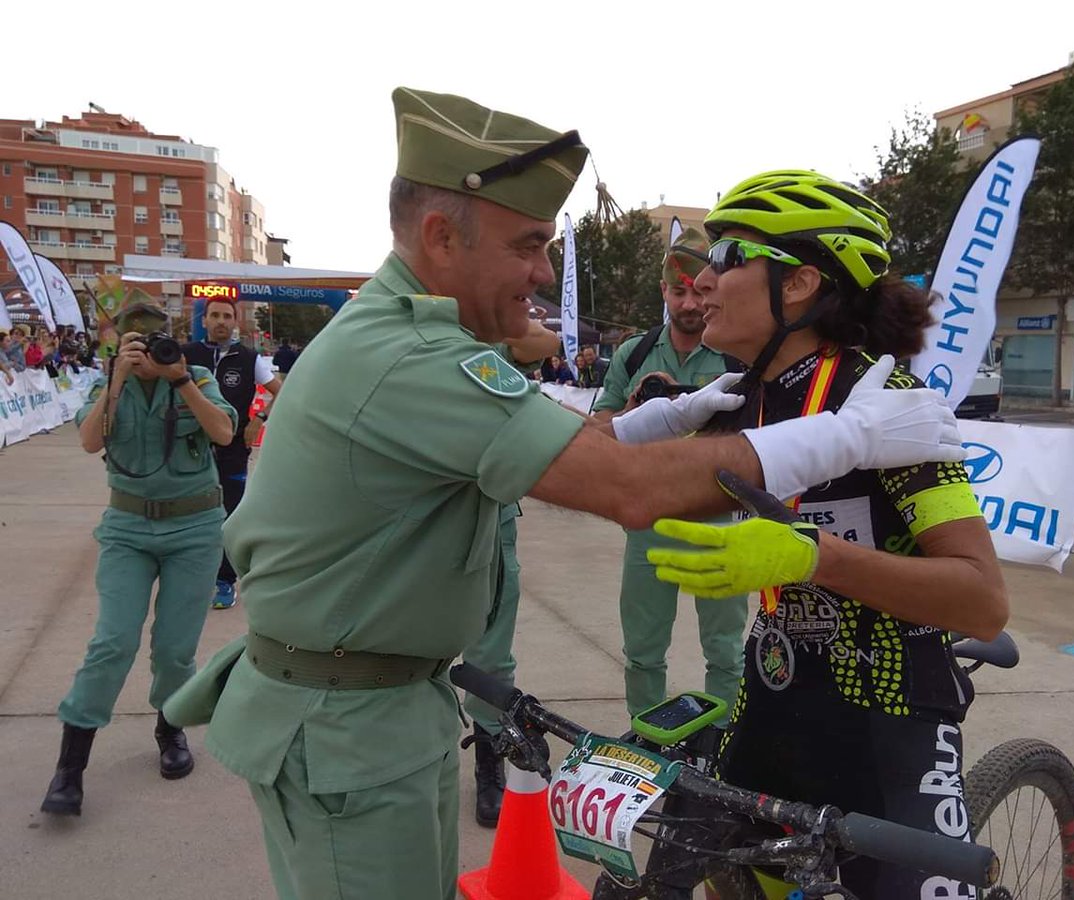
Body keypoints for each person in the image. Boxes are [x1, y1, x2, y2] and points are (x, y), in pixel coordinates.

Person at [165, 89, 962, 900]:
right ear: (442, 236)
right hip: (347, 723)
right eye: (527, 245)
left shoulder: (413, 337)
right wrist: (842, 438)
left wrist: (662, 419)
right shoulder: (410, 356)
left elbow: (560, 443)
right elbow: (622, 488)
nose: (544, 272)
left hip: (387, 705)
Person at [643, 171, 1008, 899]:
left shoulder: (886, 403)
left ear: (801, 282)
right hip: (775, 689)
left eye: (728, 256)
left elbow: (982, 600)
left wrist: (818, 556)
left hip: (889, 712)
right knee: (726, 881)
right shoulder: (739, 399)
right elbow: (616, 477)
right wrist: (655, 421)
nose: (702, 279)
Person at [40, 288, 236, 818]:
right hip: (128, 530)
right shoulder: (111, 383)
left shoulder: (196, 377)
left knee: (174, 649)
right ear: (120, 343)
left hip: (194, 530)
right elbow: (89, 441)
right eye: (136, 339)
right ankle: (70, 766)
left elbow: (223, 432)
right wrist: (118, 381)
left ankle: (169, 729)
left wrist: (179, 379)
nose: (147, 348)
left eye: (155, 338)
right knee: (112, 642)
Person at [591, 226, 748, 723]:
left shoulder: (738, 354)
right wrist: (636, 408)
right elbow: (598, 429)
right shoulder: (635, 353)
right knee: (642, 649)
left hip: (719, 521)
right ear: (664, 290)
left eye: (699, 291)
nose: (689, 304)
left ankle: (723, 743)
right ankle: (646, 738)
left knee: (726, 651)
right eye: (678, 291)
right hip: (649, 521)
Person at [462, 310, 561, 827]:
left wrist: (489, 319)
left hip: (489, 518)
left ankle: (487, 759)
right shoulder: (410, 348)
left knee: (489, 651)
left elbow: (542, 342)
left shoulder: (485, 350)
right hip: (417, 516)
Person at [182, 298, 283, 610]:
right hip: (190, 447)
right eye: (214, 315)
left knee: (229, 515)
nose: (221, 321)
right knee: (189, 513)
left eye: (227, 316)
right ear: (204, 321)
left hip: (233, 449)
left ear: (235, 322)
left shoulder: (249, 358)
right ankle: (189, 575)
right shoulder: (186, 355)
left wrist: (260, 418)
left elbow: (283, 392)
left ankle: (224, 580)